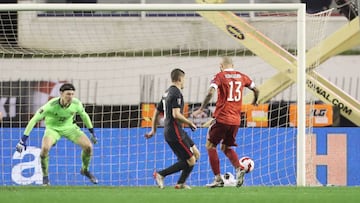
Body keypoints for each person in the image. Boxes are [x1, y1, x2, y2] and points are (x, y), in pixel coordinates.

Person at [192, 56, 259, 188]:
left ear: (221, 66)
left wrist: (201, 108)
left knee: (210, 146)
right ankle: (239, 168)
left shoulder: (220, 76)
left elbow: (210, 92)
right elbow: (256, 89)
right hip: (236, 120)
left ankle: (218, 178)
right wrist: (255, 101)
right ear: (232, 65)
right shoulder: (242, 76)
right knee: (226, 147)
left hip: (222, 118)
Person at [15, 83, 98, 186]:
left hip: (70, 128)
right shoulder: (50, 106)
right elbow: (34, 120)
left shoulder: (76, 104)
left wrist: (92, 132)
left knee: (88, 147)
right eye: (68, 94)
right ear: (61, 94)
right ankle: (45, 177)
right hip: (52, 130)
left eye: (72, 94)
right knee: (44, 149)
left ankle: (85, 170)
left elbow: (84, 116)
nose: (70, 97)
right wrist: (23, 140)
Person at [145, 68, 200, 189]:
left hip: (175, 131)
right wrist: (190, 123)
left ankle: (180, 183)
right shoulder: (176, 93)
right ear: (180, 79)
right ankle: (161, 174)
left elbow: (156, 113)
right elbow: (176, 114)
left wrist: (153, 130)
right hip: (174, 132)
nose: (184, 82)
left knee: (196, 154)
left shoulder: (166, 93)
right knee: (191, 160)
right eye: (184, 79)